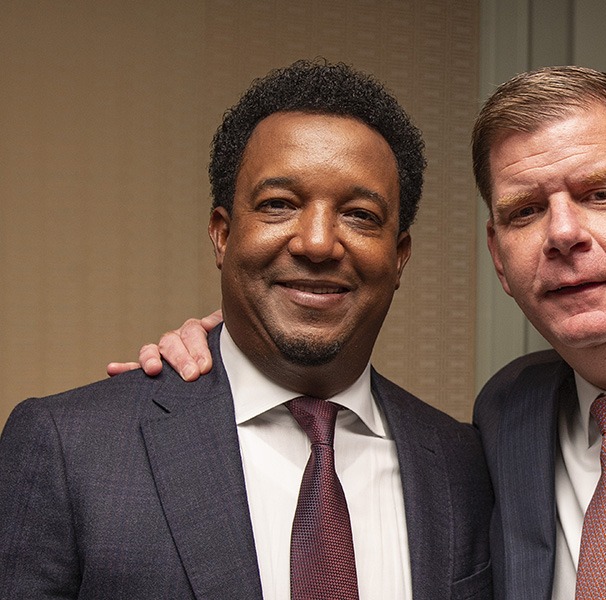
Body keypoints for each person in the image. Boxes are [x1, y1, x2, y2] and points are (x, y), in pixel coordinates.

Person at [114, 66, 606, 599]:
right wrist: (225, 351)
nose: (563, 234)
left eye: (598, 194)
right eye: (525, 210)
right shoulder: (505, 420)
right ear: (497, 254)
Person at [0, 60, 492, 600]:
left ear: (399, 258)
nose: (318, 242)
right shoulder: (72, 449)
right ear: (222, 234)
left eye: (359, 215)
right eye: (278, 205)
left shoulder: (463, 465)